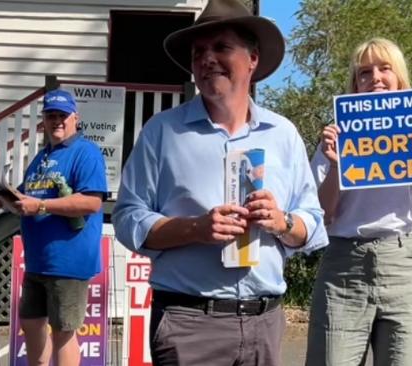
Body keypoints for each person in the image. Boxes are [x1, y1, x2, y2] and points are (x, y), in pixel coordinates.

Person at [112, 1, 328, 365]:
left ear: (253, 59)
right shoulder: (163, 132)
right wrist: (195, 228)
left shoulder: (283, 134)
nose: (207, 58)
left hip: (264, 320)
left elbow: (313, 222)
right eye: (199, 52)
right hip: (189, 323)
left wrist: (283, 222)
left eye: (221, 47)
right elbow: (127, 218)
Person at [306, 37, 412, 366]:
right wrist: (336, 166)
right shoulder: (336, 138)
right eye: (364, 73)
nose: (375, 78)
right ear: (354, 85)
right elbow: (323, 214)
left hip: (405, 268)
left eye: (385, 69)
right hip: (343, 268)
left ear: (400, 78)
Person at [0, 89, 107, 366]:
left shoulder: (85, 152)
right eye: (51, 115)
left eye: (62, 116)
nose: (57, 121)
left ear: (75, 118)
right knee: (30, 324)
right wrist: (4, 200)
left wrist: (41, 207)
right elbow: (26, 198)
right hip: (37, 260)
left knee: (64, 332)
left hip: (69, 260)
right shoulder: (42, 157)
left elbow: (91, 202)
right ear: (43, 120)